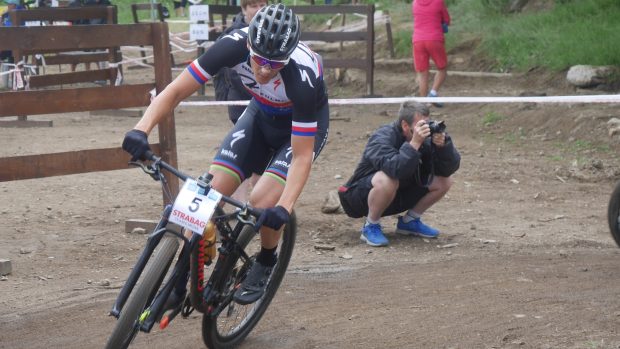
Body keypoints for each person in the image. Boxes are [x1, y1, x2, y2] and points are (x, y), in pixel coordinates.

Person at [122, 4, 329, 305]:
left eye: (275, 64)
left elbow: (300, 156)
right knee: (206, 197)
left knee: (262, 202)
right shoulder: (231, 45)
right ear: (249, 45)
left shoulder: (302, 77)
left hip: (298, 131)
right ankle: (179, 281)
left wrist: (285, 205)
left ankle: (267, 260)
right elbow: (176, 91)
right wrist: (141, 129)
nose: (265, 70)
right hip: (259, 115)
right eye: (259, 60)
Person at [337, 101, 460, 247]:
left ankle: (410, 222)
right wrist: (414, 145)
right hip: (358, 198)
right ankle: (371, 225)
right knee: (388, 179)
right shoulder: (382, 137)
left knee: (444, 181)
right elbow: (396, 170)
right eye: (420, 125)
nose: (425, 129)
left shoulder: (425, 138)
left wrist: (443, 147)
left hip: (397, 195)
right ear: (405, 125)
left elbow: (446, 170)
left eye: (427, 123)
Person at [212, 0, 267, 203]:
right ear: (244, 9)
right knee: (243, 152)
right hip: (241, 102)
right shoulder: (232, 35)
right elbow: (221, 71)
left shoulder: (273, 32)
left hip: (268, 105)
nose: (259, 10)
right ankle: (240, 204)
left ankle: (262, 201)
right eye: (253, 5)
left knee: (263, 154)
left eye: (263, 5)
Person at [412, 0, 450, 107]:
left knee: (422, 73)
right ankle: (433, 93)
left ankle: (423, 104)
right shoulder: (439, 2)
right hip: (434, 38)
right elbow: (446, 20)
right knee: (442, 68)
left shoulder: (415, 2)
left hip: (418, 40)